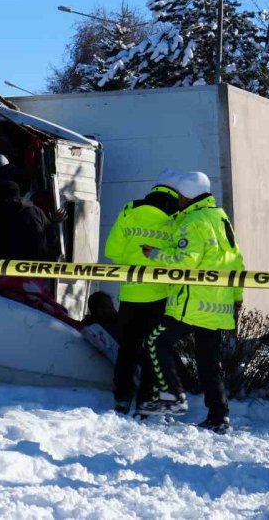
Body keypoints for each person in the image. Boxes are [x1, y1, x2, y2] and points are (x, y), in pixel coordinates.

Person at [144, 171, 244, 434]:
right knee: (209, 363)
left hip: (194, 303)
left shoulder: (194, 221)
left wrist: (155, 254)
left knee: (156, 341)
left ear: (186, 194)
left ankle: (172, 396)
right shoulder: (220, 218)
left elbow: (185, 261)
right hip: (218, 305)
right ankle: (218, 416)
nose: (177, 199)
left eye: (179, 194)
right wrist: (236, 298)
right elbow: (236, 260)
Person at [103, 169, 185, 416]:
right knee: (154, 349)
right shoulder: (177, 218)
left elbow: (113, 252)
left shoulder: (130, 211)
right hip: (160, 297)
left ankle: (121, 398)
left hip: (130, 294)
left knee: (127, 349)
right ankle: (146, 402)